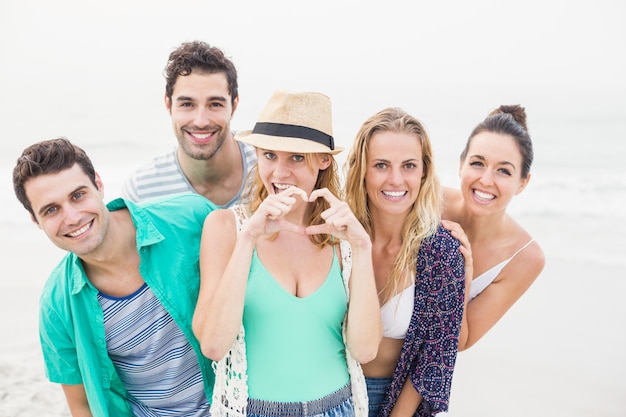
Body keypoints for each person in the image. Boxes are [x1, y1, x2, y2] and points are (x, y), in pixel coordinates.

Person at [192, 91, 382, 417]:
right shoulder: (226, 228)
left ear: (323, 160)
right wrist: (248, 238)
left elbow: (364, 350)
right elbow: (213, 345)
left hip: (338, 408)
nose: (279, 173)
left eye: (296, 158)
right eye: (269, 156)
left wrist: (363, 248)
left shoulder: (344, 237)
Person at [13, 138, 217, 416]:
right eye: (51, 210)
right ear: (35, 220)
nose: (72, 217)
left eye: (78, 195)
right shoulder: (56, 305)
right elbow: (82, 405)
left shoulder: (192, 219)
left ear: (98, 184)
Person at [343, 108, 468, 417]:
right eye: (381, 165)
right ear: (362, 170)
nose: (395, 179)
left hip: (395, 399)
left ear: (424, 172)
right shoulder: (337, 237)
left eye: (409, 166)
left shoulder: (442, 251)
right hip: (329, 396)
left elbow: (435, 356)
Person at [442, 105, 545, 351]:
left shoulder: (526, 257)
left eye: (503, 171)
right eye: (477, 163)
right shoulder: (429, 201)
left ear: (522, 182)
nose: (486, 180)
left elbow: (459, 343)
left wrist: (462, 276)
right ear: (461, 164)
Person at [122, 40, 256, 207]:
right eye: (187, 104)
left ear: (234, 106)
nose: (201, 122)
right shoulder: (142, 191)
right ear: (168, 105)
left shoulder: (269, 168)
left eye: (215, 104)